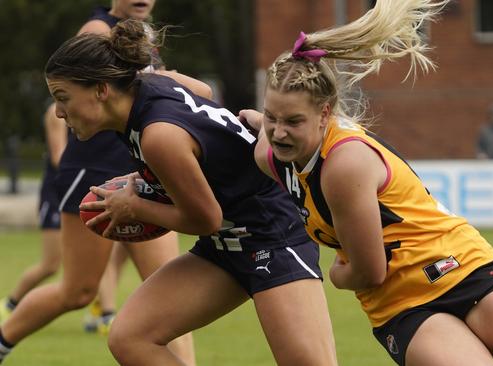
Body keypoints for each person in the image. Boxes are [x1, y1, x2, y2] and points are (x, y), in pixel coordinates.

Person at [239, 0, 493, 365]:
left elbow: (368, 271)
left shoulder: (344, 165)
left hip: (464, 268)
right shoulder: (270, 154)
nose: (279, 132)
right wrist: (258, 120)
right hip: (404, 307)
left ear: (324, 115)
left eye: (293, 122)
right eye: (273, 117)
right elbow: (265, 130)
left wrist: (337, 274)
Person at [41, 19, 337, 366]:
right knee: (130, 337)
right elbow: (203, 92)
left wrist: (134, 206)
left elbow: (205, 217)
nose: (59, 112)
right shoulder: (149, 87)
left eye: (63, 98)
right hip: (226, 244)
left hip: (273, 236)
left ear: (101, 90)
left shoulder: (158, 135)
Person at [0, 2, 204, 364]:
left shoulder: (144, 36)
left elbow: (196, 91)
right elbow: (63, 103)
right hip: (93, 172)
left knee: (170, 288)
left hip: (142, 170)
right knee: (77, 291)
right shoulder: (97, 30)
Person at [0, 103, 66, 325]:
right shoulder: (56, 112)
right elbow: (59, 158)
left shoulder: (94, 107)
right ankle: (9, 304)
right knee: (51, 265)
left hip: (82, 191)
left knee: (101, 257)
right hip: (57, 194)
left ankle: (103, 314)